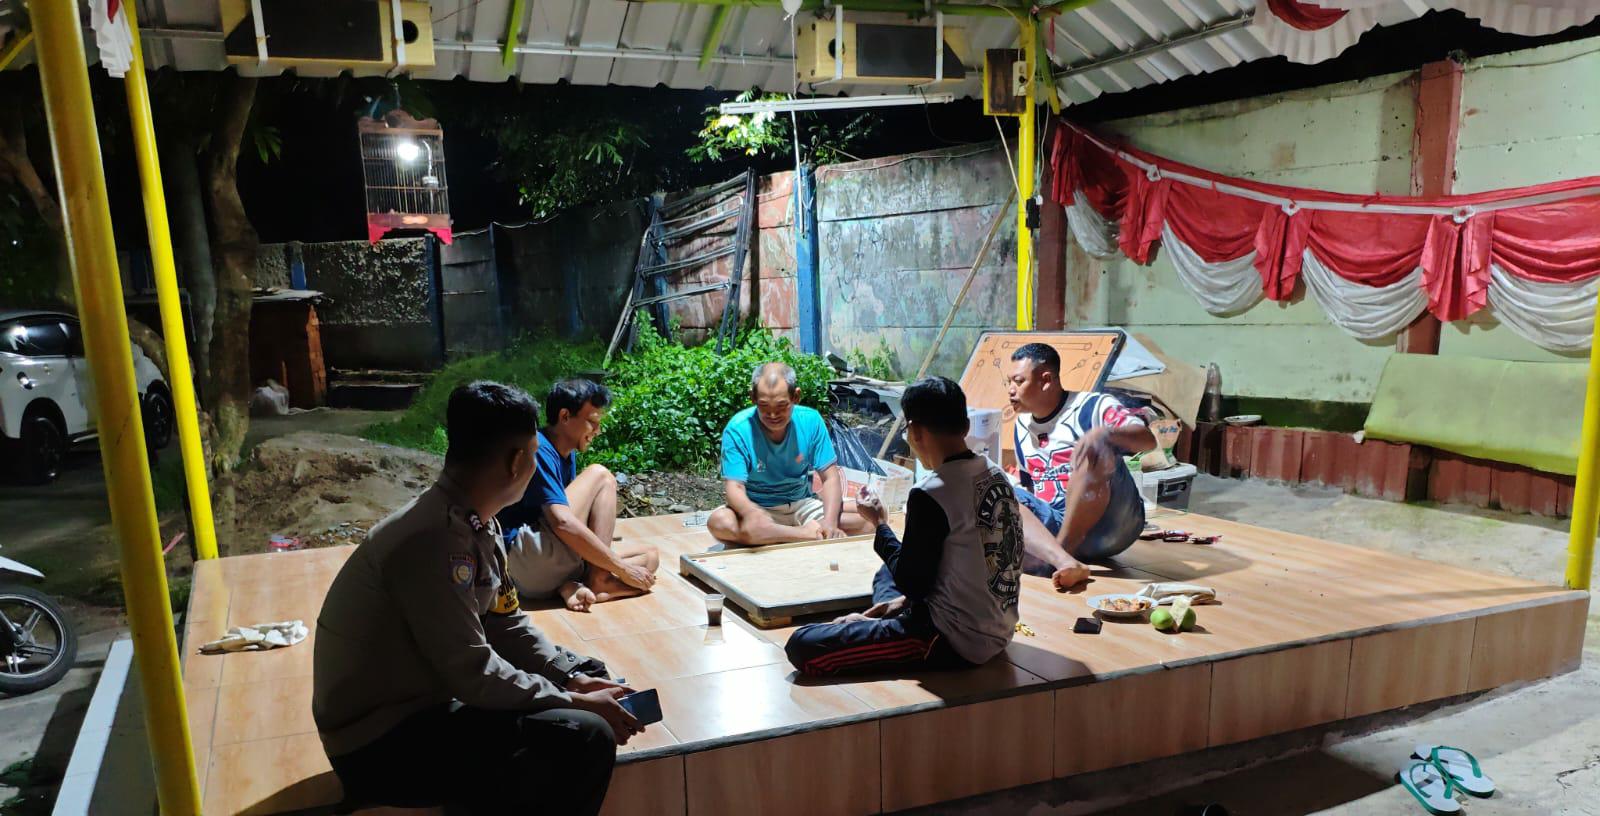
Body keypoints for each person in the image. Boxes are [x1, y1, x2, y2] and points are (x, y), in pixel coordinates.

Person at [312, 381, 643, 815]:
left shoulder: (478, 524)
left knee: (587, 675)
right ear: (516, 461)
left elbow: (506, 623)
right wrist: (571, 699)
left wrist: (569, 676)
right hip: (380, 744)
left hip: (428, 706)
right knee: (583, 734)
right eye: (533, 451)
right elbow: (473, 673)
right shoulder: (433, 540)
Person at [784, 376, 1024, 676]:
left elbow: (914, 584)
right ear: (965, 426)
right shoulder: (996, 474)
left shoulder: (932, 493)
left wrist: (880, 523)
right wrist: (896, 603)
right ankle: (891, 617)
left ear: (915, 431)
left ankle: (893, 627)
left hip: (953, 639)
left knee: (804, 644)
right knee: (887, 573)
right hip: (999, 627)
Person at [497, 378, 659, 612]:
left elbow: (572, 520)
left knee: (650, 556)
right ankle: (600, 580)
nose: (597, 430)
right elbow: (562, 522)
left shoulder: (567, 452)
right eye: (592, 421)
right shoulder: (539, 448)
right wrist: (621, 568)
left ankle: (570, 585)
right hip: (525, 558)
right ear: (564, 416)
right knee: (601, 475)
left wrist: (607, 557)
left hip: (548, 565)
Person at [1007, 342, 1157, 589]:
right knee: (999, 493)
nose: (1011, 390)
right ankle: (1063, 560)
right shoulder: (1021, 426)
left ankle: (1059, 557)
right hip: (1058, 522)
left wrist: (1105, 434)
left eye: (1018, 381)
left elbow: (1148, 441)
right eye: (1009, 382)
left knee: (1093, 448)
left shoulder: (1092, 406)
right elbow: (1030, 488)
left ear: (1046, 380)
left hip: (1112, 522)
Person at [706, 362, 871, 545]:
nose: (773, 415)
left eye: (781, 406)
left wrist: (830, 523)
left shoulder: (811, 420)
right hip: (759, 509)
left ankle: (776, 535)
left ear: (796, 397)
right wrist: (750, 512)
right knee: (720, 522)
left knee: (869, 522)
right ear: (753, 398)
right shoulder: (738, 429)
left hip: (801, 505)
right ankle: (806, 535)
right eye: (764, 406)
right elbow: (734, 487)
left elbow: (830, 477)